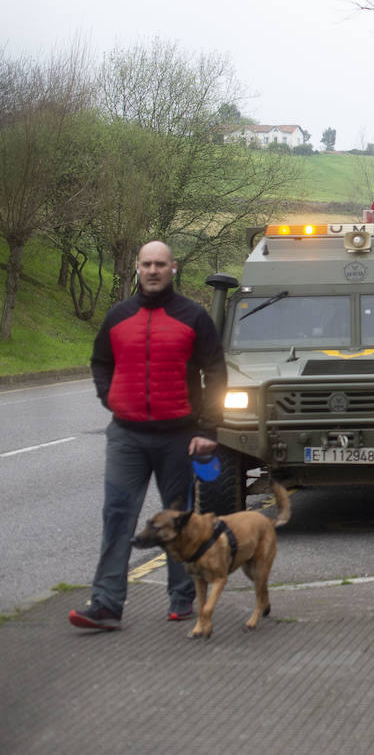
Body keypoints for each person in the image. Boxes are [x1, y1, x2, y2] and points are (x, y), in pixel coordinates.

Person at [69, 241, 227, 630]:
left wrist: (208, 428)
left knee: (180, 522)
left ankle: (182, 598)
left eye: (160, 264)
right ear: (137, 268)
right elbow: (100, 362)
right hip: (127, 436)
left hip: (180, 436)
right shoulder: (117, 316)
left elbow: (216, 372)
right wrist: (111, 398)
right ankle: (106, 606)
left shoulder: (194, 317)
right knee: (117, 517)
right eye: (146, 264)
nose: (153, 270)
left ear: (173, 268)